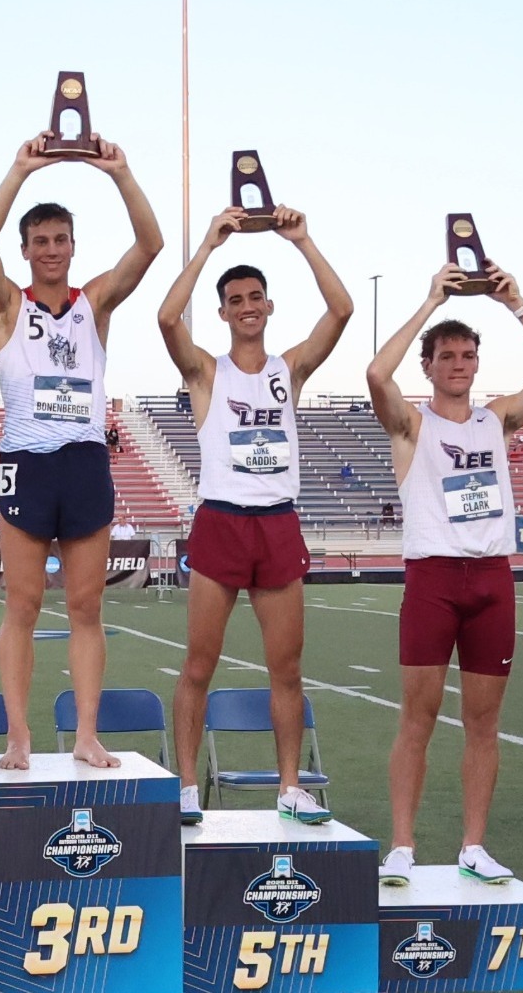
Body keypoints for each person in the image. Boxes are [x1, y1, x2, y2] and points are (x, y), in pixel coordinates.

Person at [365, 260, 523, 886]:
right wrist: (431, 301)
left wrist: (517, 303)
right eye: (446, 356)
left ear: (477, 363)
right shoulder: (410, 424)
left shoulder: (497, 419)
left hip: (491, 581)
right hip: (432, 579)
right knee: (418, 718)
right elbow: (377, 373)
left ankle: (473, 846)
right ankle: (402, 844)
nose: (458, 364)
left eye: (466, 355)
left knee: (484, 723)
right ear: (428, 365)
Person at [0, 130, 163, 769]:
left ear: (73, 246)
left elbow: (151, 246)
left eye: (61, 240)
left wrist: (121, 172)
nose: (51, 250)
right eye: (40, 241)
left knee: (86, 606)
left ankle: (85, 734)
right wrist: (20, 168)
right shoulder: (7, 305)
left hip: (84, 463)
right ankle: (19, 735)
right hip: (26, 463)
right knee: (21, 604)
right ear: (26, 250)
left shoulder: (94, 303)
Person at [154, 202, 352, 825]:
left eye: (256, 296)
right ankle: (187, 785)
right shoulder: (206, 373)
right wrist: (209, 245)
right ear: (222, 310)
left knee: (286, 667)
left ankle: (291, 785)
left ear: (268, 307)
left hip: (277, 522)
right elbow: (165, 317)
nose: (246, 305)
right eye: (235, 297)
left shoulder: (286, 370)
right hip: (221, 521)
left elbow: (342, 310)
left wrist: (303, 239)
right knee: (198, 663)